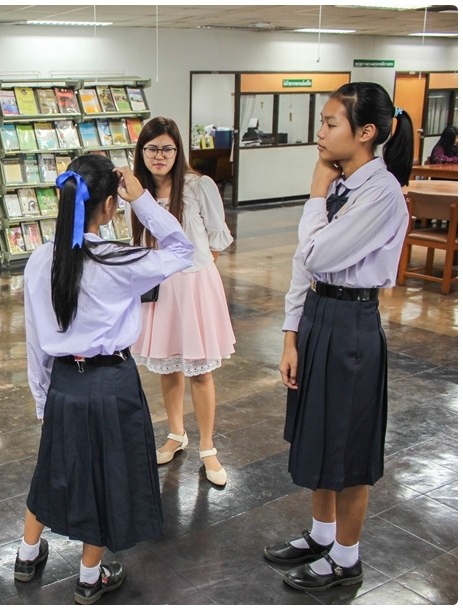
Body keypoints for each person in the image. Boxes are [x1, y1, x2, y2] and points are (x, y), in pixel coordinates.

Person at [16, 155, 193, 604]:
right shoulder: (118, 259)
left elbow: (35, 340)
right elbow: (182, 250)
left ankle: (26, 553)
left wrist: (42, 399)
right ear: (111, 204)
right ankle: (89, 578)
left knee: (52, 469)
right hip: (110, 382)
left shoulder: (39, 260)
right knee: (105, 480)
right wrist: (145, 200)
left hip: (62, 384)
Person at [265, 82, 413, 591]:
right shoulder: (345, 183)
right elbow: (302, 269)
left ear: (366, 132)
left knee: (347, 448)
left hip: (351, 325)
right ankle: (322, 534)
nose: (320, 134)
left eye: (330, 124)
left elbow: (318, 257)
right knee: (321, 434)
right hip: (319, 318)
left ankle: (346, 558)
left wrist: (313, 195)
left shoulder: (381, 193)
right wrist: (290, 335)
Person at [128, 117, 236, 487]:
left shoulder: (197, 185)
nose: (159, 156)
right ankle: (177, 433)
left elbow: (217, 239)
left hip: (193, 286)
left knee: (200, 370)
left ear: (178, 150)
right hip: (158, 288)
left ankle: (208, 447)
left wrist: (193, 278)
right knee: (167, 366)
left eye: (167, 148)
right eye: (152, 148)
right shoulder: (136, 192)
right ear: (142, 152)